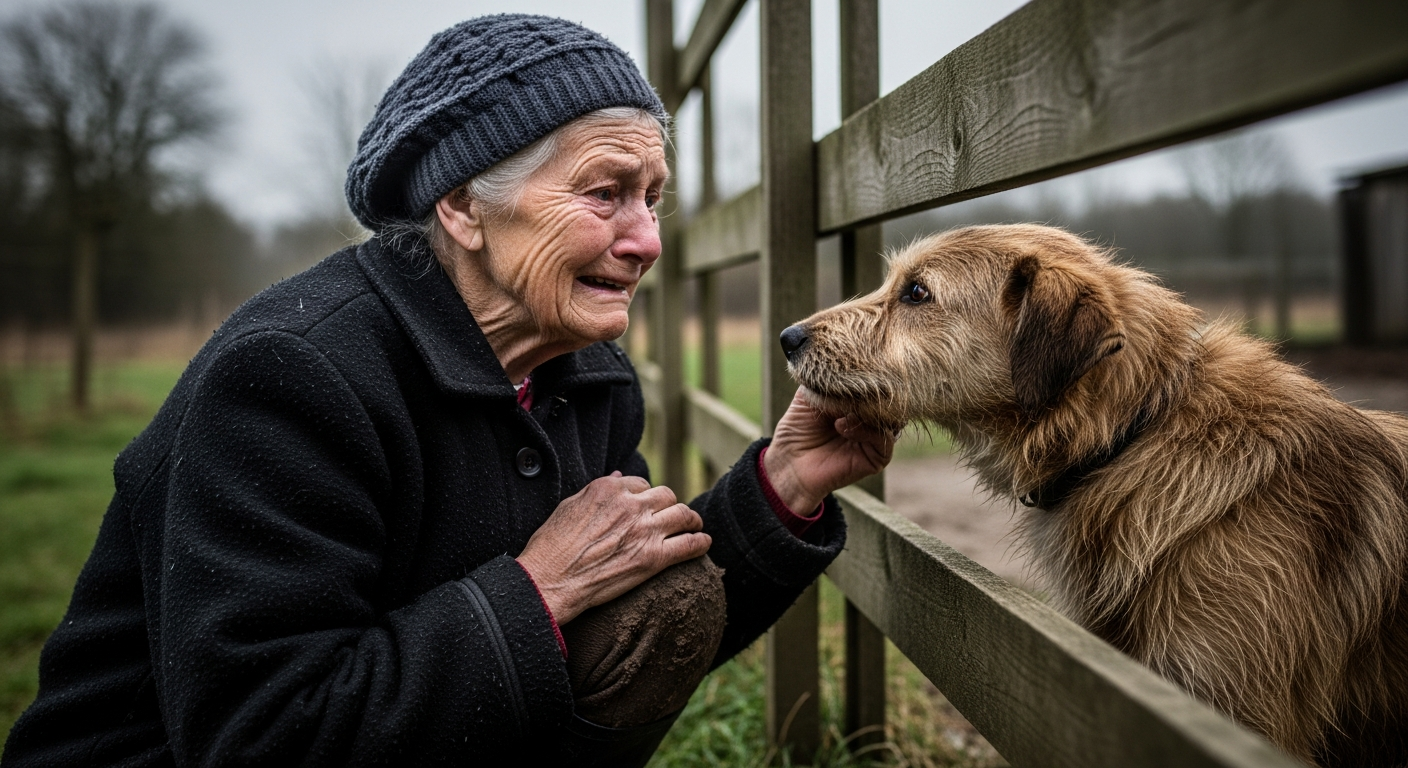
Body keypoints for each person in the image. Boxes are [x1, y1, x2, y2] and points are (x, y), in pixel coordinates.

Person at [1, 14, 893, 767]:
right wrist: (537, 591)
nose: (647, 239)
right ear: (463, 208)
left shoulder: (587, 379)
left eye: (652, 198)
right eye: (605, 193)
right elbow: (259, 732)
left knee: (665, 602)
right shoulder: (290, 374)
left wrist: (784, 486)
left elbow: (638, 615)